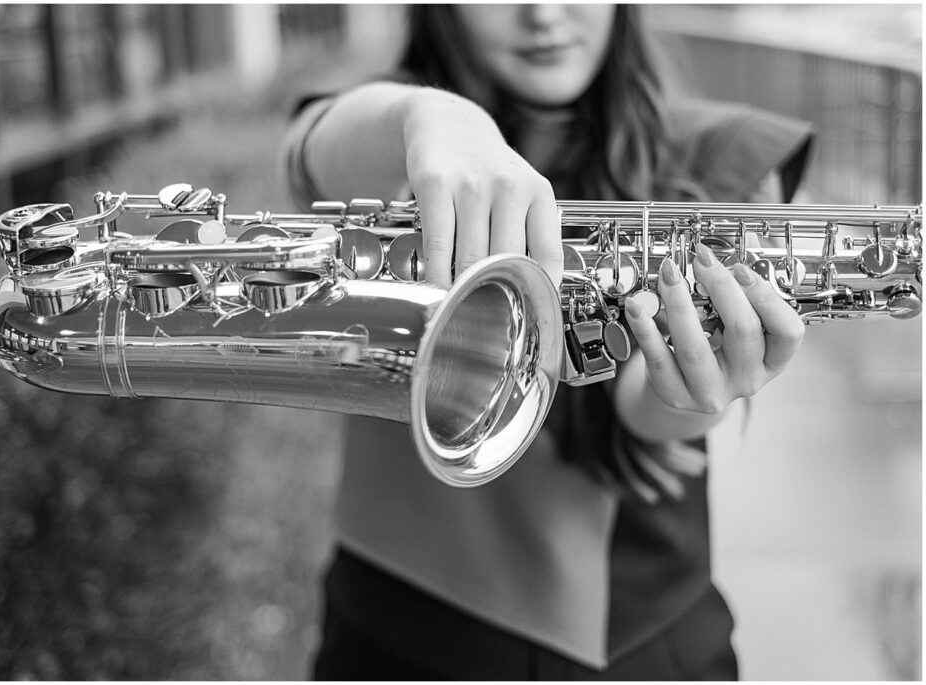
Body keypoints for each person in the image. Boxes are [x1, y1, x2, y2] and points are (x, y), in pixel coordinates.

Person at [282, 4, 813, 680]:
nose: (544, 13)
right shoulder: (390, 121)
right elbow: (305, 151)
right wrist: (432, 119)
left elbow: (638, 407)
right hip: (401, 625)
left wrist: (691, 393)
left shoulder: (719, 153)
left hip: (642, 643)